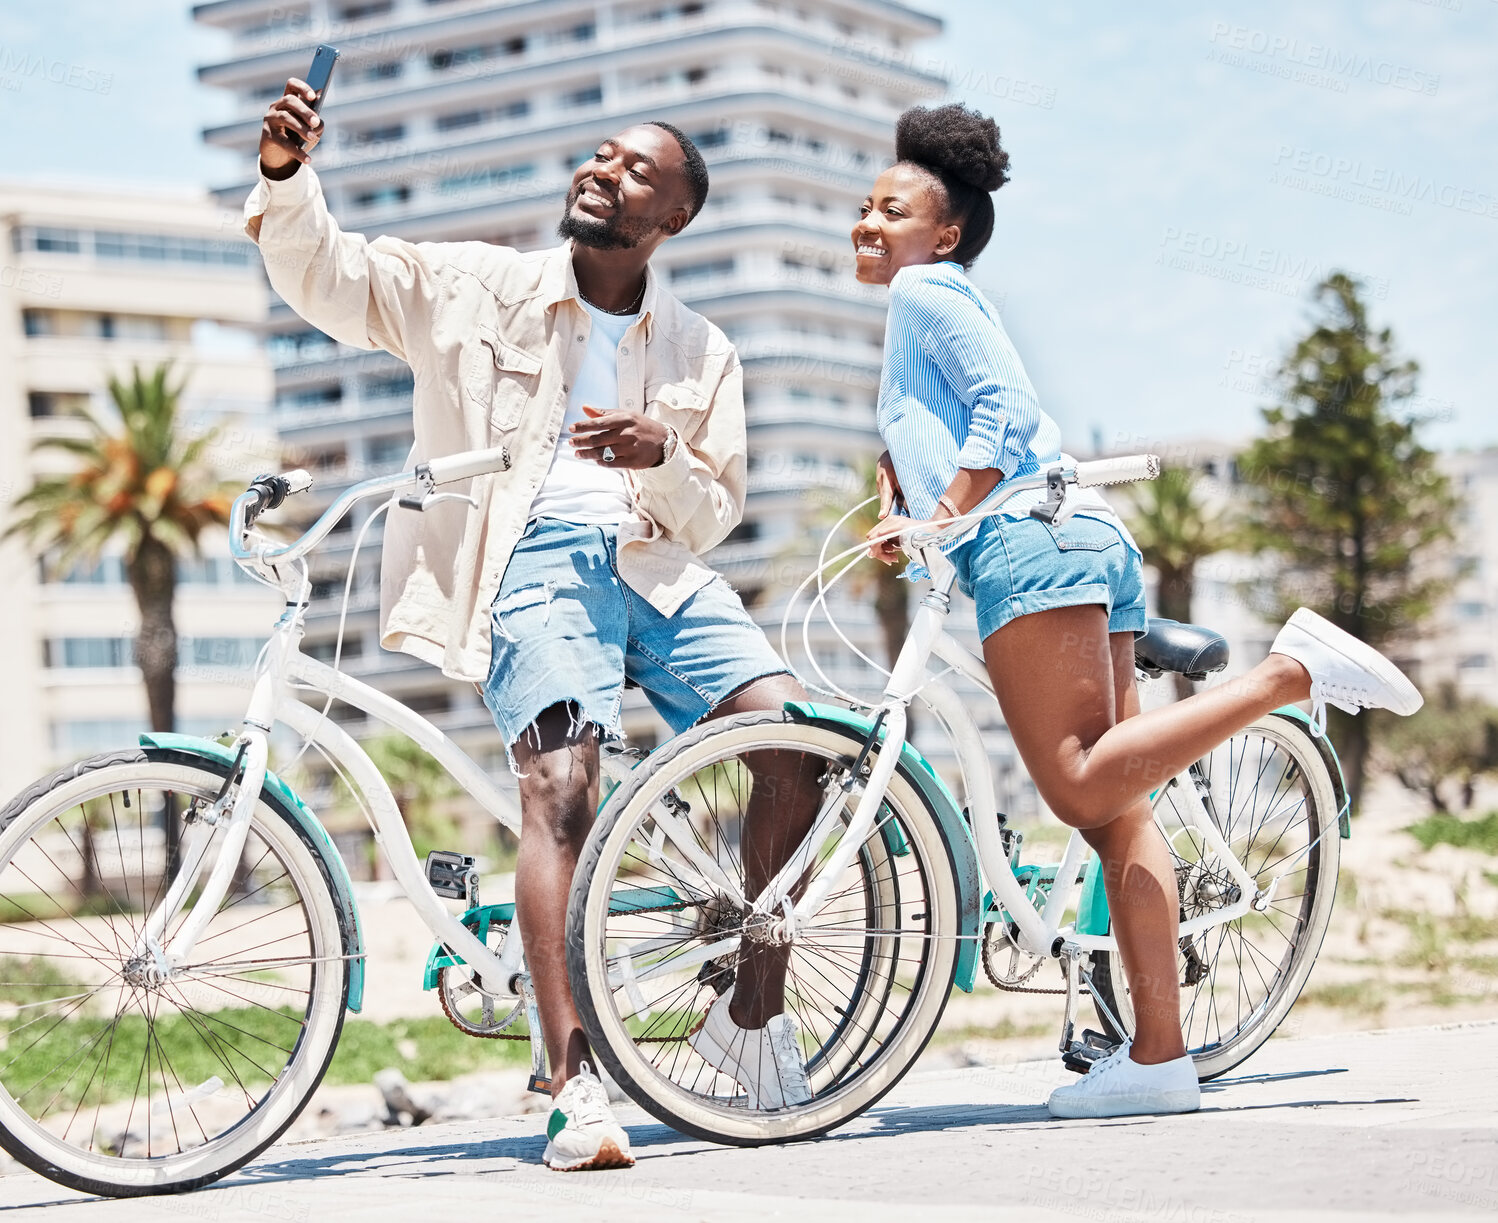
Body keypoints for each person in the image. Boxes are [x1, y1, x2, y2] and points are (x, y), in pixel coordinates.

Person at [247, 80, 815, 1170]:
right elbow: (327, 271)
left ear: (674, 216)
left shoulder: (701, 350)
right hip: (529, 562)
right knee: (561, 790)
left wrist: (664, 454)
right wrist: (285, 175)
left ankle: (747, 1020)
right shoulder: (474, 285)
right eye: (599, 154)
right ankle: (573, 1082)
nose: (604, 170)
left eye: (637, 169)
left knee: (791, 742)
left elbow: (715, 509)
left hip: (652, 563)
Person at [854, 104, 1423, 1119]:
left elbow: (1007, 411)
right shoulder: (925, 298)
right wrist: (910, 521)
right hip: (1074, 535)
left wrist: (944, 510)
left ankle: (1282, 675)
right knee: (1118, 809)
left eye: (889, 209)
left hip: (1032, 541)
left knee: (1075, 786)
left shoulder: (921, 290)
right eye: (864, 206)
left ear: (940, 233)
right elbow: (976, 430)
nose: (866, 222)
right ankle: (1157, 1058)